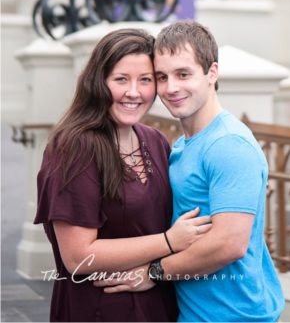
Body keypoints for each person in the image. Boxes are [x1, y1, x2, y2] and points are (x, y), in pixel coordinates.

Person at [98, 19, 285, 322]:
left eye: (183, 74)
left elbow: (229, 244)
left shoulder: (229, 145)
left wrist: (153, 272)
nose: (171, 88)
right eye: (162, 76)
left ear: (212, 72)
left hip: (235, 315)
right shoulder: (183, 147)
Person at [34, 27, 213, 322]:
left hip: (157, 305)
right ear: (99, 82)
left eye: (145, 80)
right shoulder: (75, 148)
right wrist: (169, 242)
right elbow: (78, 257)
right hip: (100, 309)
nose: (134, 92)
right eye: (121, 79)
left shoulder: (154, 141)